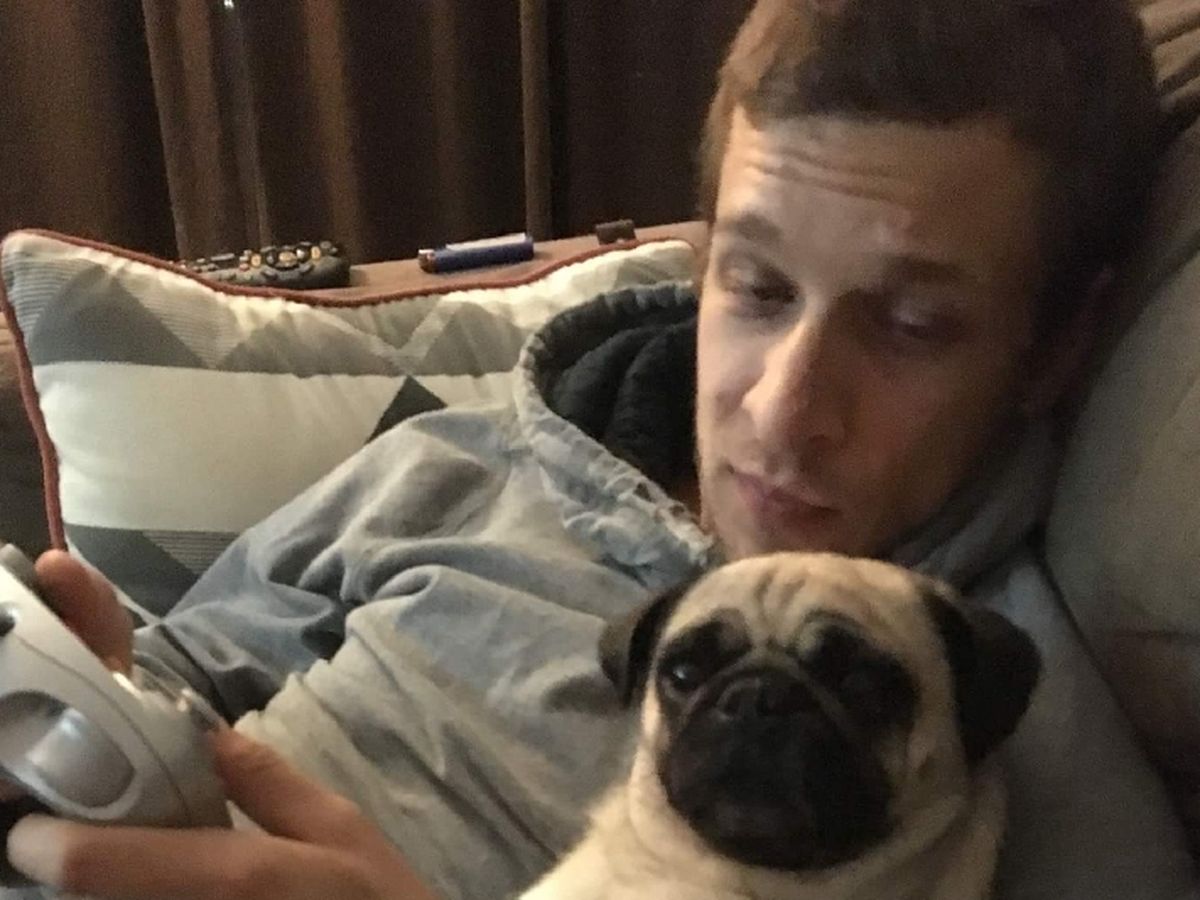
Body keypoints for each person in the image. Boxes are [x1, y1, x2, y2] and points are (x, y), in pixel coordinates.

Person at [6, 0, 1198, 897]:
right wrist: (86, 697)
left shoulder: (1032, 749)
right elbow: (185, 675)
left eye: (914, 325)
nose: (785, 409)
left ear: (1057, 349)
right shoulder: (446, 464)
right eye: (758, 286)